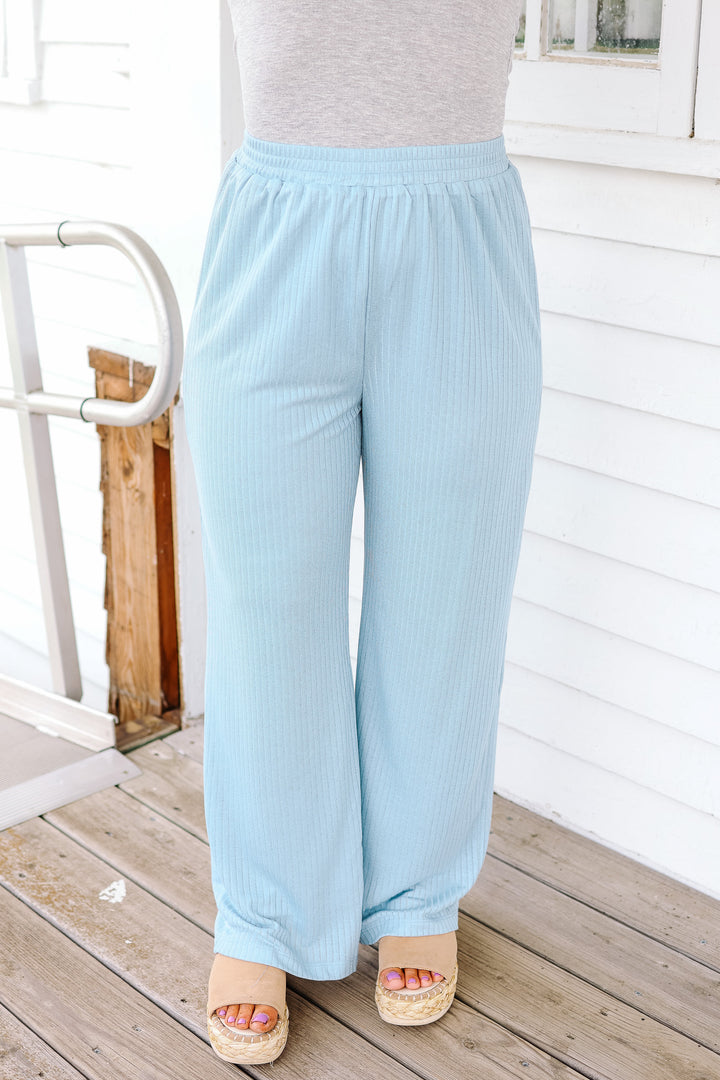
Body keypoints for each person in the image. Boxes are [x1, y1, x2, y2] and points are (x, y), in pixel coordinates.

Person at [181, 0, 541, 1065]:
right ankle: (265, 911)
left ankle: (418, 892)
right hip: (277, 233)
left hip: (458, 240)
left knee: (445, 598)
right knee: (268, 605)